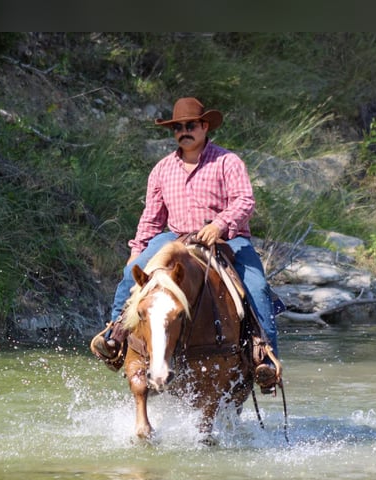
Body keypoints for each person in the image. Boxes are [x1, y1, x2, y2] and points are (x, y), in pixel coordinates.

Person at [90, 97, 283, 390]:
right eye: (177, 127)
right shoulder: (162, 169)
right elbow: (152, 217)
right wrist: (136, 249)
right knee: (136, 270)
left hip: (229, 237)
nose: (184, 131)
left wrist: (220, 224)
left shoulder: (227, 162)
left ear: (205, 126)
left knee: (256, 287)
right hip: (176, 235)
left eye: (190, 125)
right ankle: (116, 332)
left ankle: (264, 357)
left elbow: (245, 200)